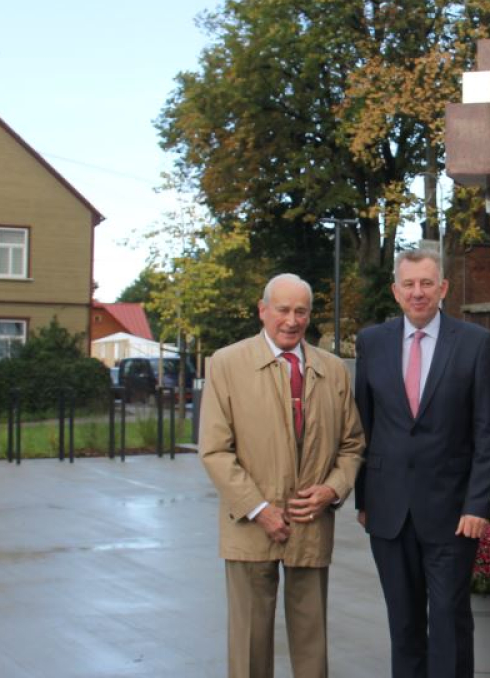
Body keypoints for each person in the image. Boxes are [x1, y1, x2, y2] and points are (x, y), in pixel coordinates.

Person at [198, 273, 366, 678]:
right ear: (263, 311)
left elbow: (352, 443)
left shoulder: (333, 370)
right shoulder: (227, 364)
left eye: (300, 311)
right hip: (250, 523)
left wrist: (332, 490)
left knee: (312, 642)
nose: (291, 320)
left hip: (311, 521)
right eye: (282, 310)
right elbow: (216, 450)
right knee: (250, 643)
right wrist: (259, 508)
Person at [354, 248, 490, 678]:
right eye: (409, 284)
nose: (417, 292)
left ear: (444, 288)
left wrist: (478, 505)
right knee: (403, 624)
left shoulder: (474, 343)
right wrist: (364, 497)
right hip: (388, 511)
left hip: (453, 513)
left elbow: (487, 432)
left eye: (426, 283)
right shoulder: (372, 342)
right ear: (396, 291)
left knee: (449, 620)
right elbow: (364, 426)